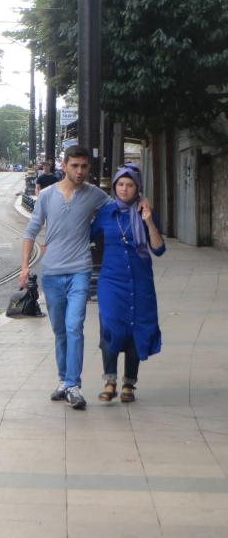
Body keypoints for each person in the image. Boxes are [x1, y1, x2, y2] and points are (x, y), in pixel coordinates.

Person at [19, 146, 110, 410]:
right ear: (65, 165)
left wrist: (141, 203)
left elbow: (119, 209)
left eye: (84, 167)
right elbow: (30, 231)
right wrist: (24, 267)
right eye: (75, 166)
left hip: (80, 270)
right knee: (60, 331)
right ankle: (63, 381)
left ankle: (74, 385)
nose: (80, 171)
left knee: (74, 327)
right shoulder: (47, 196)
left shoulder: (95, 195)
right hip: (52, 273)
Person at [91, 164, 165, 404]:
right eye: (120, 184)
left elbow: (158, 249)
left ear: (137, 188)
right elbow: (86, 236)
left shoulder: (145, 212)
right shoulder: (106, 213)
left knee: (135, 328)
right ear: (114, 187)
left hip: (141, 281)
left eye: (129, 184)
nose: (124, 189)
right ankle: (110, 380)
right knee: (111, 326)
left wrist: (149, 221)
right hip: (111, 281)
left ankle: (129, 385)